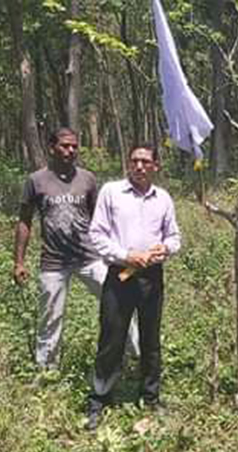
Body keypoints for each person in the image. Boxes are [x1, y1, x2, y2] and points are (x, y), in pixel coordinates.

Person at [15, 127, 143, 371]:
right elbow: (24, 221)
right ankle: (46, 372)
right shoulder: (36, 181)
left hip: (90, 257)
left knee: (119, 305)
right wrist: (19, 262)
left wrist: (117, 252)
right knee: (50, 319)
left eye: (74, 146)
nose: (70, 150)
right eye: (64, 146)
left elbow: (101, 219)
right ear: (51, 148)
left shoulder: (88, 179)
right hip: (53, 262)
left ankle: (136, 356)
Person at [84, 144, 181, 430]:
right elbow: (96, 234)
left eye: (146, 162)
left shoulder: (162, 198)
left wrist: (165, 248)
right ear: (128, 164)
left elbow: (174, 236)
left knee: (151, 339)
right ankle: (99, 399)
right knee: (112, 337)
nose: (139, 166)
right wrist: (127, 255)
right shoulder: (111, 193)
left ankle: (150, 397)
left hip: (152, 277)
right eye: (135, 161)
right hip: (120, 275)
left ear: (155, 166)